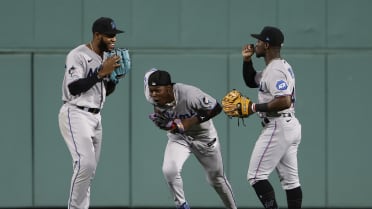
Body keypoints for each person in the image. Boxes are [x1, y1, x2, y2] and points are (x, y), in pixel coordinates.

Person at [144, 69, 237, 209]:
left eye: (157, 90)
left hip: (204, 137)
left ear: (169, 88)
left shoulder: (189, 94)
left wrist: (189, 122)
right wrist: (167, 125)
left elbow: (216, 108)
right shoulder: (151, 96)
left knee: (216, 180)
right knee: (169, 170)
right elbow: (149, 74)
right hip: (180, 137)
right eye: (151, 90)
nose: (154, 94)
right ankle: (182, 205)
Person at [58, 17, 124, 209]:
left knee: (89, 170)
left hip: (96, 116)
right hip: (75, 113)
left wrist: (113, 80)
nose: (114, 39)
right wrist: (101, 73)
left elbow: (103, 92)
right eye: (110, 36)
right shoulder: (77, 55)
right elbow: (73, 87)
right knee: (85, 164)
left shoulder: (104, 58)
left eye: (115, 36)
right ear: (97, 35)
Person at [241, 26, 303, 209]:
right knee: (291, 182)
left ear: (267, 45)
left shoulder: (275, 70)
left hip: (278, 125)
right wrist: (246, 60)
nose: (256, 44)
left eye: (259, 41)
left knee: (256, 176)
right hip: (288, 125)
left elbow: (284, 100)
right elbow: (251, 80)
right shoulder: (276, 67)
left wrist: (253, 107)